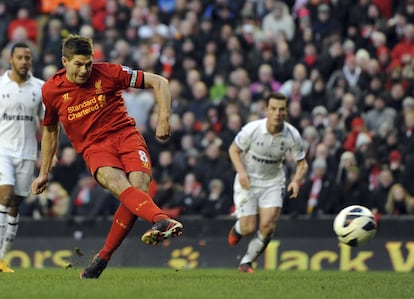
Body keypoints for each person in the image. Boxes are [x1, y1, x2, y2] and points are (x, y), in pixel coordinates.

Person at [31, 35, 183, 279]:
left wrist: (163, 118)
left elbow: (160, 81)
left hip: (126, 136)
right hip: (94, 147)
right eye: (78, 64)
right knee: (118, 184)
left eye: (88, 64)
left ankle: (102, 257)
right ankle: (162, 220)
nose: (84, 70)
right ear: (64, 61)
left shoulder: (109, 72)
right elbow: (50, 129)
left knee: (139, 189)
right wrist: (44, 172)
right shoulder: (51, 90)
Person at [227, 92, 308, 273]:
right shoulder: (252, 129)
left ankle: (246, 262)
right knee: (249, 227)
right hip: (248, 179)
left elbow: (302, 163)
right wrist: (241, 172)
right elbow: (233, 150)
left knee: (268, 225)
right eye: (273, 109)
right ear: (267, 110)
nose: (277, 113)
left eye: (281, 109)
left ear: (286, 111)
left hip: (273, 182)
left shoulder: (292, 135)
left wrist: (296, 181)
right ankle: (238, 229)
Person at [0, 42, 45, 272]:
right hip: (2, 151)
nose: (24, 61)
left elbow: (47, 125)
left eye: (28, 58)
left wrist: (49, 154)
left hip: (27, 153)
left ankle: (2, 258)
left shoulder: (40, 88)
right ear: (11, 59)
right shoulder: (0, 86)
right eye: (20, 57)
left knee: (15, 205)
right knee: (5, 195)